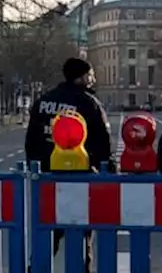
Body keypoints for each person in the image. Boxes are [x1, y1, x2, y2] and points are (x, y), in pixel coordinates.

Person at [24, 57, 112, 273]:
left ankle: (35, 269)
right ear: (81, 77)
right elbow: (102, 143)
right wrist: (107, 171)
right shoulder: (88, 103)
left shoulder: (43, 102)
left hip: (47, 179)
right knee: (81, 237)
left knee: (47, 235)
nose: (92, 78)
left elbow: (31, 141)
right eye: (90, 74)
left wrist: (37, 168)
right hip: (80, 179)